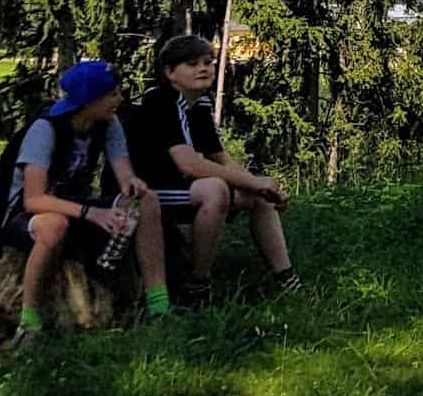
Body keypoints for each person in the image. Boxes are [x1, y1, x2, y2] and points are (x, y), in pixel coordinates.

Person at [0, 60, 171, 348]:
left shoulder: (108, 124)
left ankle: (158, 303)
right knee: (54, 225)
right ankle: (30, 321)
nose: (120, 99)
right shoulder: (45, 130)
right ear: (89, 101)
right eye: (112, 94)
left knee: (146, 201)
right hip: (25, 213)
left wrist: (132, 186)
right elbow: (33, 198)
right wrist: (92, 213)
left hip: (75, 203)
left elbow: (124, 173)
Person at [122, 34, 300, 308]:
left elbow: (222, 161)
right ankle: (198, 283)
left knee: (258, 197)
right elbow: (189, 163)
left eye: (208, 62)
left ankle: (286, 278)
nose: (204, 69)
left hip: (181, 188)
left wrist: (261, 187)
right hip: (149, 192)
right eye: (192, 64)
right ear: (170, 72)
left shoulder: (200, 104)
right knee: (215, 189)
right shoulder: (161, 101)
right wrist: (256, 182)